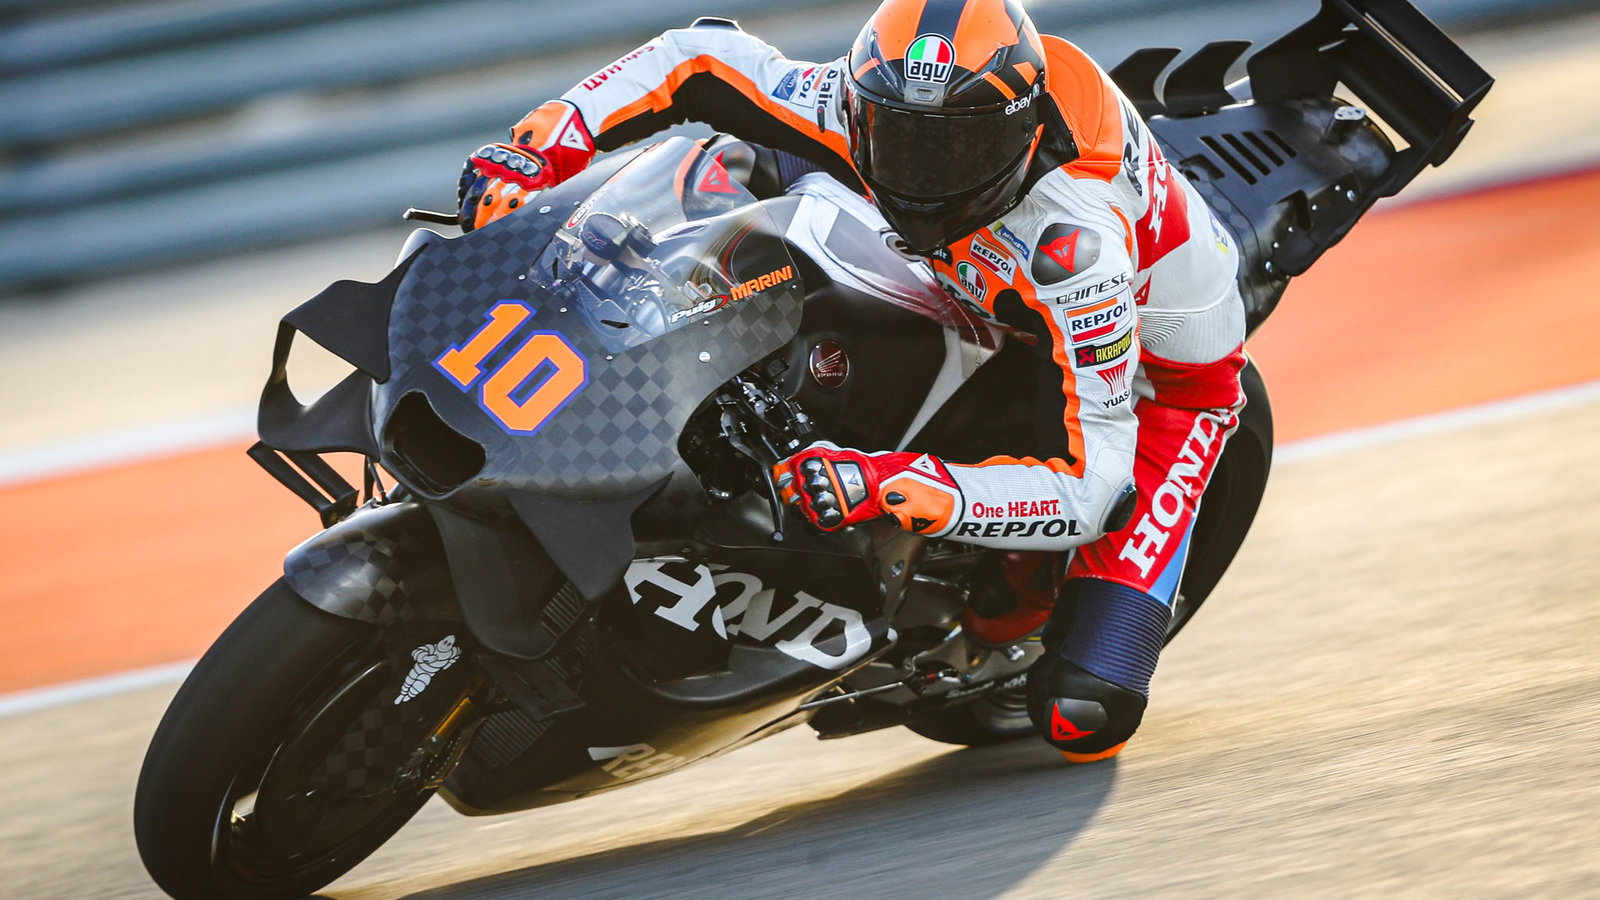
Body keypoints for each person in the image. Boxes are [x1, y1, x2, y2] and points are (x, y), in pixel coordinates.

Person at [456, 0, 1247, 763]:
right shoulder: (854, 100)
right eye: (899, 138)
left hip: (1152, 377)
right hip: (969, 273)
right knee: (741, 174)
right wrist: (542, 146)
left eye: (953, 150)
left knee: (1084, 712)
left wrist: (886, 483)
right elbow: (694, 56)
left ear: (1020, 134)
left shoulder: (1077, 252)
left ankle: (1005, 619)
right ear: (862, 99)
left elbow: (1094, 486)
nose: (921, 171)